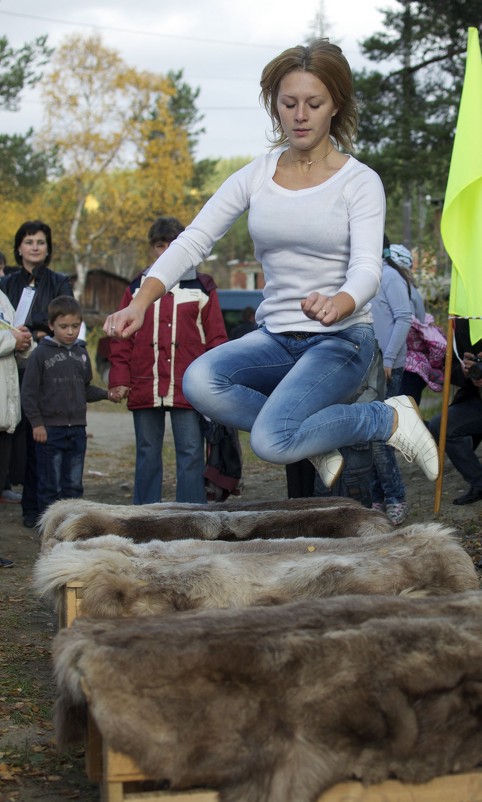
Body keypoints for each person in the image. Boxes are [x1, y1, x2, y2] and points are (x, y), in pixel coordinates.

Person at [104, 39, 439, 490]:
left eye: (313, 103)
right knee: (199, 381)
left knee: (270, 442)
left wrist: (340, 302)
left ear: (334, 106)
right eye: (289, 103)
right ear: (275, 106)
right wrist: (141, 301)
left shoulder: (359, 181)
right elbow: (194, 240)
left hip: (341, 340)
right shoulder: (256, 175)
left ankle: (385, 418)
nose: (300, 115)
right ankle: (314, 438)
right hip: (275, 338)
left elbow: (366, 267)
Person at [108, 216, 228, 504]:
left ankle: (190, 514)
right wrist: (120, 379)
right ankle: (145, 514)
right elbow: (121, 339)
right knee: (147, 450)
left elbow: (216, 339)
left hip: (187, 385)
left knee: (190, 451)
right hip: (144, 382)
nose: (165, 252)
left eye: (172, 245)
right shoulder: (136, 289)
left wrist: (217, 383)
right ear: (152, 249)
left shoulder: (202, 288)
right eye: (159, 245)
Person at [0, 220, 74, 527]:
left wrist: (39, 333)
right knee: (12, 437)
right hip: (9, 366)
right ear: (19, 247)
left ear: (48, 248)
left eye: (41, 242)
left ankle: (38, 507)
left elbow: (67, 316)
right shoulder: (7, 283)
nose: (34, 246)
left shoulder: (58, 281)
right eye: (29, 241)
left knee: (40, 437)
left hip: (44, 365)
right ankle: (12, 492)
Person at [20, 296, 118, 521]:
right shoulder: (40, 355)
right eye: (64, 327)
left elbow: (85, 389)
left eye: (75, 326)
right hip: (49, 432)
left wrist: (106, 394)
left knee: (73, 485)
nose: (70, 332)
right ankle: (49, 528)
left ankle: (71, 527)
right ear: (51, 325)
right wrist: (37, 423)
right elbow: (29, 393)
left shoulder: (81, 354)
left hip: (76, 431)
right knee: (49, 486)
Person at [369, 242, 413, 525]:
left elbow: (404, 317)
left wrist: (389, 358)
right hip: (367, 366)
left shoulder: (389, 275)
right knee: (368, 435)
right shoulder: (366, 275)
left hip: (387, 367)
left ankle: (396, 498)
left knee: (380, 436)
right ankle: (377, 497)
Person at [428, 318, 482, 506]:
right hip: (476, 400)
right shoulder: (460, 322)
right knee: (441, 425)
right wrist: (466, 371)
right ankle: (478, 482)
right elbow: (449, 370)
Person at [0, 289, 34, 565]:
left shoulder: (2, 298)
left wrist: (24, 341)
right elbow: (8, 338)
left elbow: (15, 338)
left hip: (5, 408)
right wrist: (10, 339)